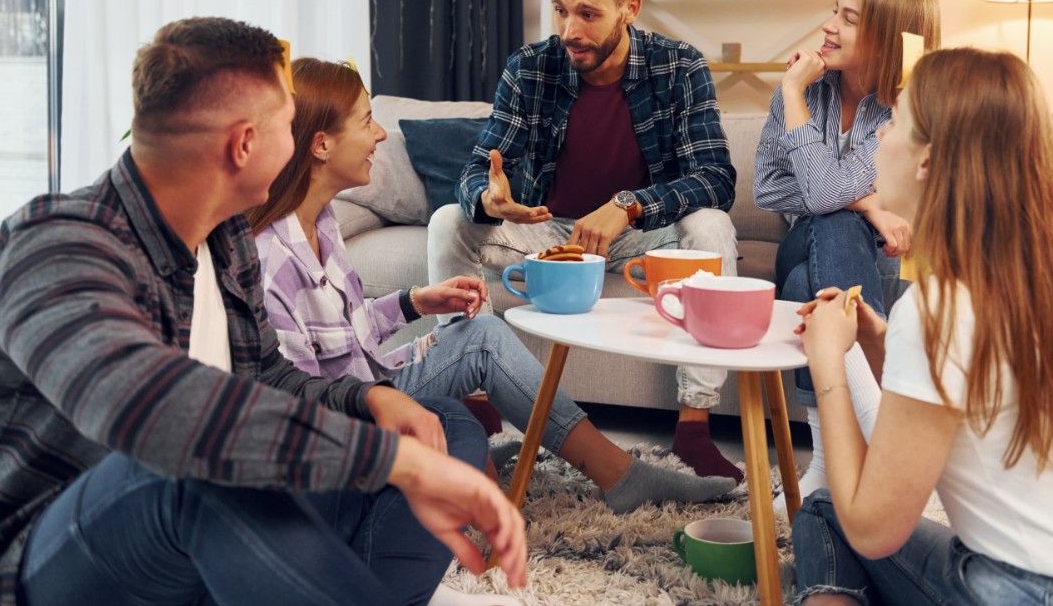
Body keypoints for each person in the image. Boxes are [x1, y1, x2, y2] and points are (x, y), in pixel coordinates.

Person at [0, 18, 527, 606]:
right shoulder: (56, 243)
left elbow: (265, 377)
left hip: (191, 531)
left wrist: (370, 400)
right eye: (288, 123)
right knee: (195, 474)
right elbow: (155, 415)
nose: (300, 138)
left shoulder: (225, 237)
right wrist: (387, 458)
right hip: (30, 565)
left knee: (439, 425)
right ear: (245, 144)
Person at [246, 56, 737, 516]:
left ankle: (499, 452)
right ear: (321, 144)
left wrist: (415, 301)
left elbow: (341, 332)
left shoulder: (322, 222)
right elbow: (295, 402)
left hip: (369, 383)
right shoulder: (272, 259)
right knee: (483, 338)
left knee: (484, 334)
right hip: (353, 417)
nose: (379, 134)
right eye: (365, 121)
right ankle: (618, 475)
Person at [792, 47, 1053, 605]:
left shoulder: (936, 308)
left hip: (1027, 594)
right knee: (831, 512)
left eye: (894, 121)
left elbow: (873, 528)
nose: (879, 136)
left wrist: (828, 365)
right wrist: (877, 341)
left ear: (927, 162)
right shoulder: (1033, 287)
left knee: (828, 513)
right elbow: (966, 392)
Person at [426, 0, 746, 484]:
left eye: (588, 13)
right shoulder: (531, 68)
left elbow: (716, 178)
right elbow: (479, 167)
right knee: (448, 221)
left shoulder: (678, 66)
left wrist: (630, 205)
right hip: (550, 233)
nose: (570, 29)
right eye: (560, 9)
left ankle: (693, 424)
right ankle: (475, 408)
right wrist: (487, 198)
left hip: (644, 233)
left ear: (630, 8)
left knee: (712, 227)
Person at [753, 0, 940, 505]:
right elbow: (769, 189)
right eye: (836, 9)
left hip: (885, 263)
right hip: (809, 240)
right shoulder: (803, 92)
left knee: (808, 284)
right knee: (832, 221)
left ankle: (828, 465)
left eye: (849, 18)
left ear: (887, 34)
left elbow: (815, 188)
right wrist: (866, 203)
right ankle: (878, 445)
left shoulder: (909, 111)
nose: (829, 26)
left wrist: (848, 200)